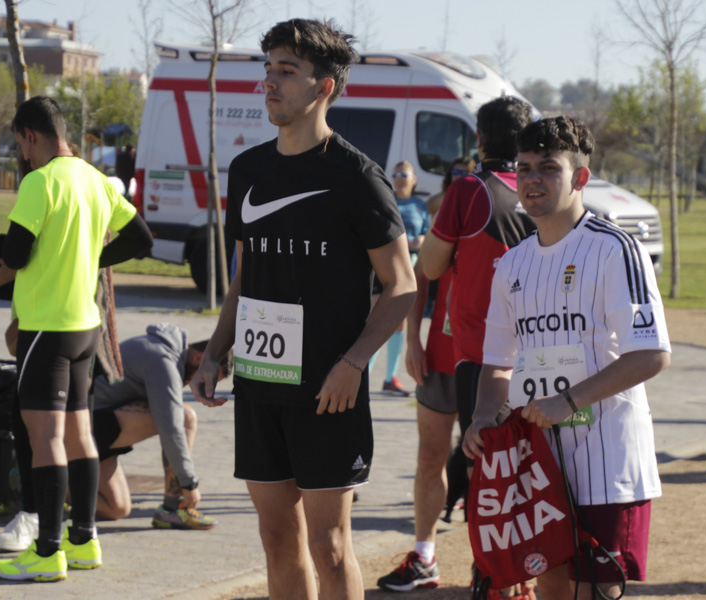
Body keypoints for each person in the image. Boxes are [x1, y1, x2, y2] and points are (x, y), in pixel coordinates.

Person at [189, 19, 415, 600]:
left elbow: (402, 285)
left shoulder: (358, 178)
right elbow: (244, 275)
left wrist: (355, 362)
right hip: (262, 383)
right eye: (268, 69)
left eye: (286, 71)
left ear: (324, 88)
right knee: (275, 535)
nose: (270, 82)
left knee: (330, 547)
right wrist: (215, 353)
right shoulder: (248, 170)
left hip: (327, 388)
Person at [463, 116, 671, 600]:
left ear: (580, 177)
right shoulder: (511, 263)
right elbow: (497, 362)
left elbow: (651, 354)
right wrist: (481, 416)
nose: (533, 179)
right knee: (553, 590)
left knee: (591, 593)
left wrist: (568, 400)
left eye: (548, 168)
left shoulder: (616, 249)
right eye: (525, 168)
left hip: (607, 465)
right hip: (537, 466)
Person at [0, 96, 152, 583]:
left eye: (20, 146)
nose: (23, 157)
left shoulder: (40, 181)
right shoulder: (95, 179)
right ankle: (83, 540)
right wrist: (92, 260)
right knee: (78, 435)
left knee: (45, 439)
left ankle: (48, 551)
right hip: (85, 329)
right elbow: (142, 237)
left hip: (47, 329)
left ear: (32, 136)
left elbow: (15, 252)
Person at [418, 96, 535, 450]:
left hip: (480, 351)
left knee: (483, 469)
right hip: (537, 346)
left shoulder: (469, 189)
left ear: (479, 139)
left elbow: (430, 267)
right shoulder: (544, 190)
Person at [377, 162, 462, 592]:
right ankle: (425, 556)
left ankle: (499, 565)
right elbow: (419, 280)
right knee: (431, 457)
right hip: (440, 361)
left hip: (494, 366)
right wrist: (414, 341)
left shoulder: (510, 217)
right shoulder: (443, 229)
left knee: (492, 464)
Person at [93, 322, 233, 529]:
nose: (205, 388)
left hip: (99, 428)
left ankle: (53, 489)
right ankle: (171, 509)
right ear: (197, 358)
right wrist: (189, 483)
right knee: (185, 418)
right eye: (206, 381)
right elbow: (172, 428)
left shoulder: (168, 352)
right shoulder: (162, 361)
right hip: (85, 425)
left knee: (117, 508)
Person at [371, 160, 429, 395]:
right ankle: (361, 373)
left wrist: (420, 241)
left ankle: (389, 379)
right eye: (395, 174)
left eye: (404, 174)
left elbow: (426, 232)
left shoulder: (420, 205)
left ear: (414, 179)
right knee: (375, 321)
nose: (399, 178)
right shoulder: (387, 200)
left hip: (411, 267)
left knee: (400, 323)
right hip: (385, 267)